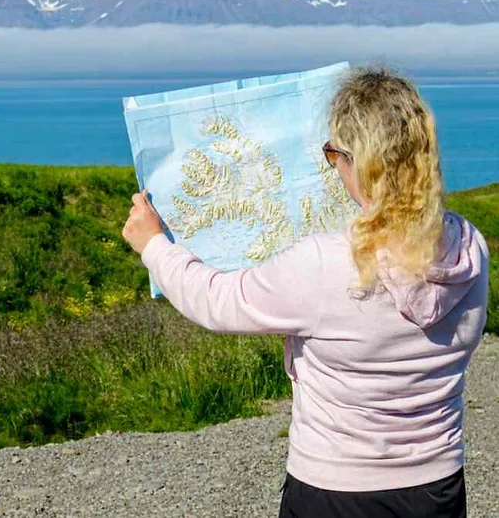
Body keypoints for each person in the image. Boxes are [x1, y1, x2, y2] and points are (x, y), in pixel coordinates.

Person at [121, 67, 489, 518]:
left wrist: (153, 245)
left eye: (334, 154)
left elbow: (216, 301)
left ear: (361, 163)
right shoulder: (470, 247)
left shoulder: (326, 264)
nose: (332, 167)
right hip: (438, 485)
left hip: (334, 488)